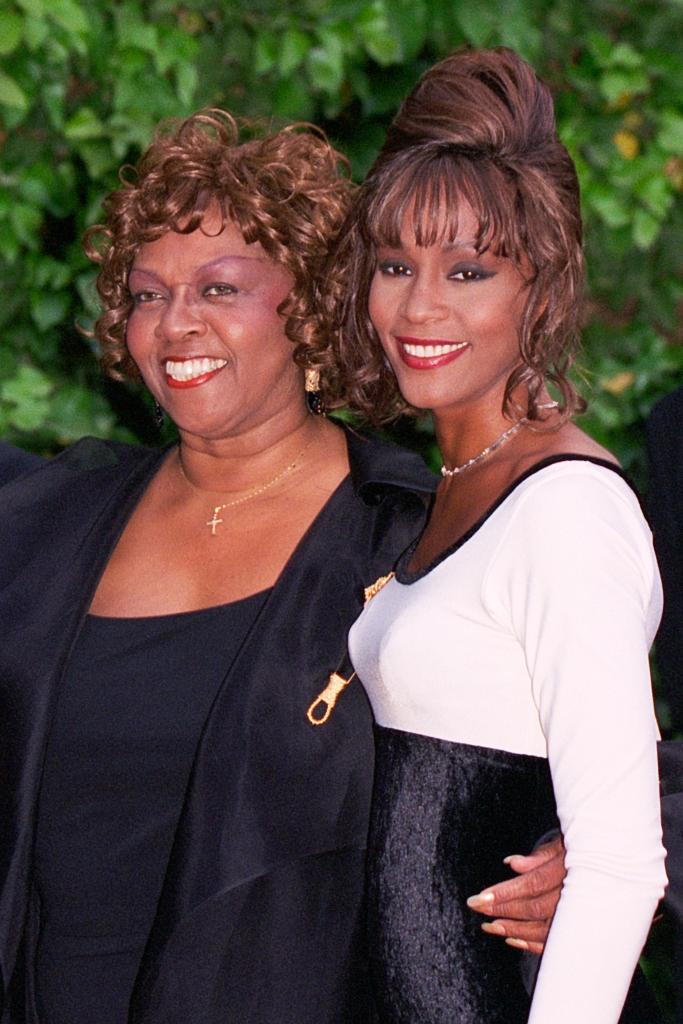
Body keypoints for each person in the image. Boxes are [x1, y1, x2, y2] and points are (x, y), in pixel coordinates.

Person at [0, 109, 559, 1024]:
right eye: (147, 295)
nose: (175, 324)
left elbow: (594, 743)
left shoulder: (417, 537)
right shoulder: (43, 525)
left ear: (306, 303)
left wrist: (574, 849)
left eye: (219, 290)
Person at [325, 48, 667, 1023]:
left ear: (539, 285)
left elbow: (614, 867)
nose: (418, 307)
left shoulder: (565, 510)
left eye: (466, 271)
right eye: (395, 265)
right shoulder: (446, 484)